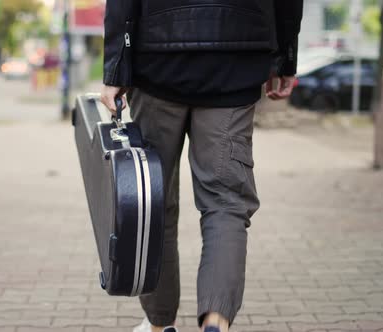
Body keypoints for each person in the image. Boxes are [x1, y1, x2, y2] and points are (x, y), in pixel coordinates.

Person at [100, 1, 303, 332]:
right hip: (237, 58)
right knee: (226, 203)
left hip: (158, 61)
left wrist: (115, 68)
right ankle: (215, 320)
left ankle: (159, 324)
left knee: (154, 202)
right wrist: (285, 58)